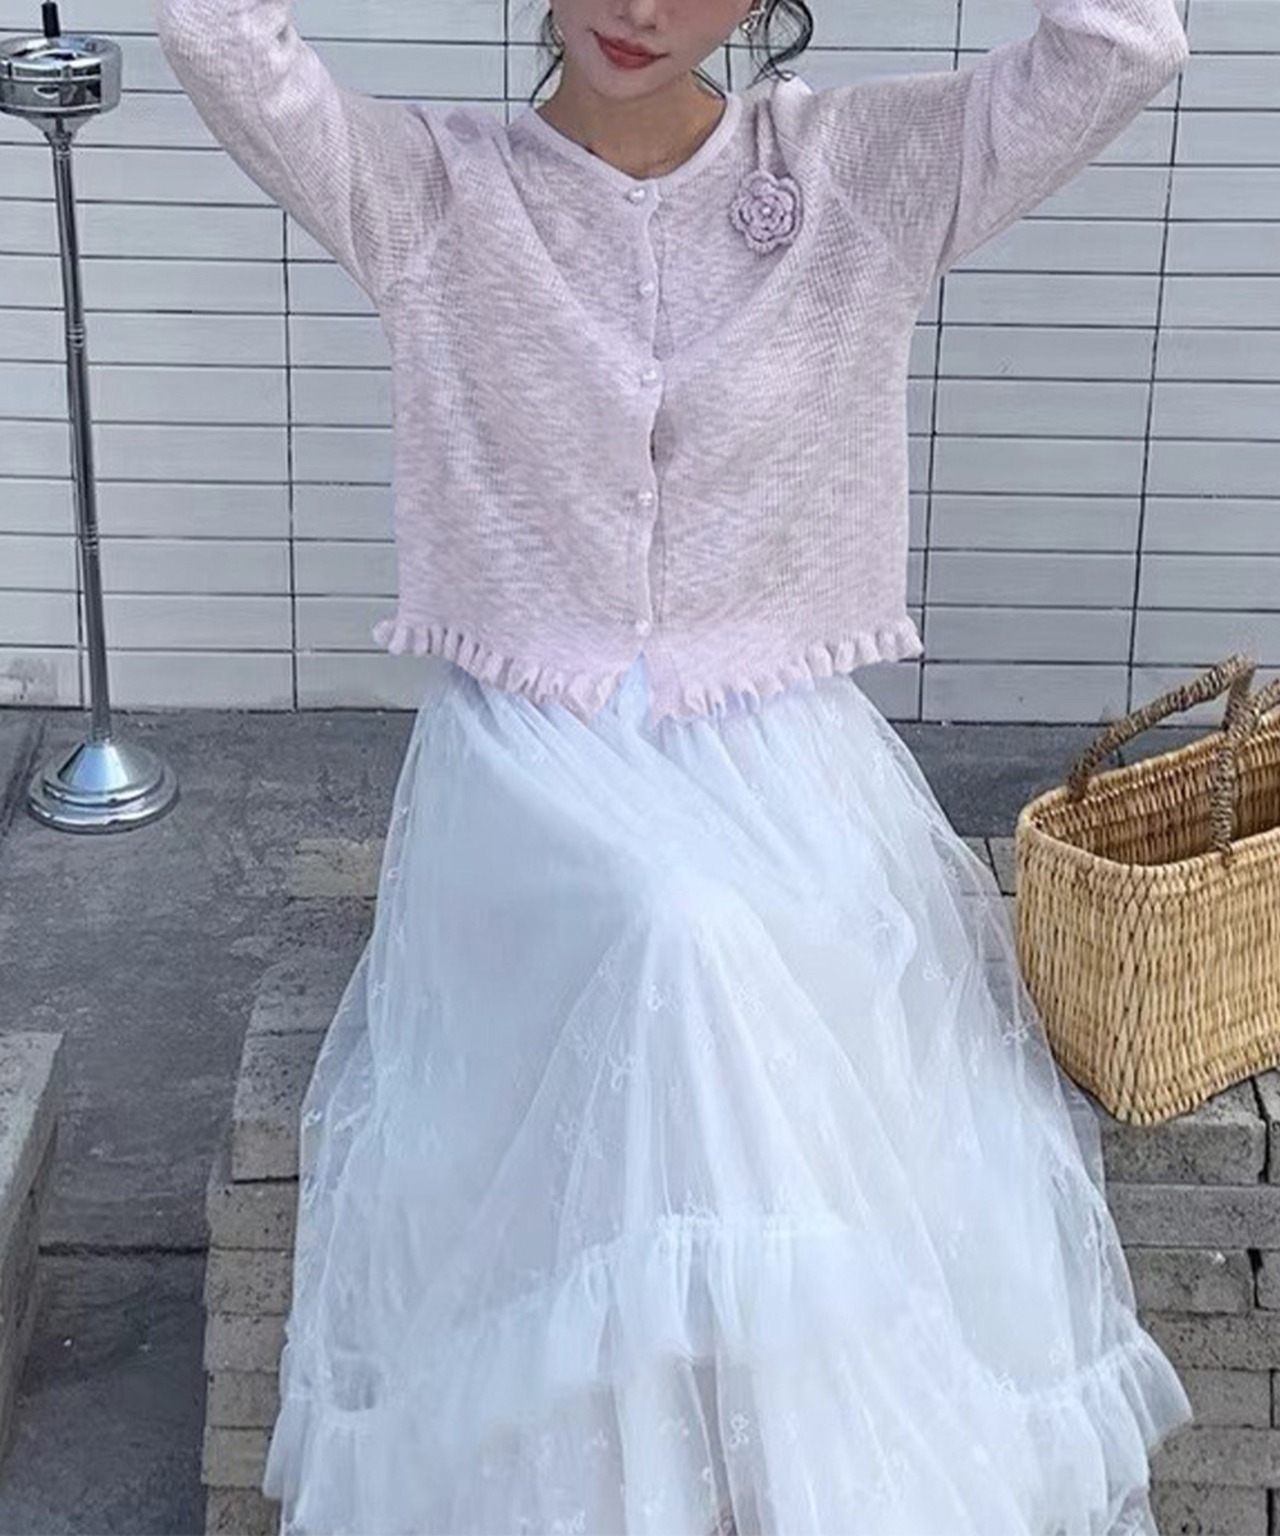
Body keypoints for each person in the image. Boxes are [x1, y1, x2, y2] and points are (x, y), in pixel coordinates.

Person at [154, 0, 1197, 1530]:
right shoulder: (429, 191)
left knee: (713, 962)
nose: (641, 8)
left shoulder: (861, 171)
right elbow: (216, 35)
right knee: (677, 936)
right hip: (536, 746)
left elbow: (1128, 45)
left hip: (776, 750)